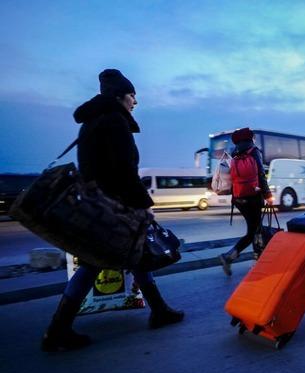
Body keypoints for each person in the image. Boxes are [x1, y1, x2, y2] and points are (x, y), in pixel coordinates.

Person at [41, 69, 184, 352]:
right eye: (133, 95)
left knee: (134, 256)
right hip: (116, 206)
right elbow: (124, 171)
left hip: (99, 205)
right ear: (119, 96)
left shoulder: (92, 122)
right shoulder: (114, 121)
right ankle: (58, 330)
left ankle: (159, 310)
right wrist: (143, 206)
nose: (135, 101)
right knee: (99, 263)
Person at [219, 127, 272, 275]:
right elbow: (261, 174)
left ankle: (252, 259)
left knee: (255, 229)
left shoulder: (235, 153)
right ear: (250, 139)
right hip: (253, 198)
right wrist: (267, 194)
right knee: (254, 231)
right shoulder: (254, 151)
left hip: (238, 198)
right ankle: (231, 257)